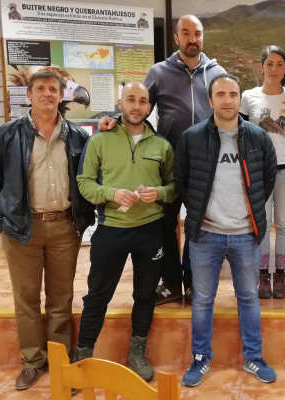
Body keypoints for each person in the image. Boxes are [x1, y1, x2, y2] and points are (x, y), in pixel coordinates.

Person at [99, 14, 226, 306]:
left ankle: (195, 284)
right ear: (176, 38)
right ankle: (171, 283)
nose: (192, 38)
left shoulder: (216, 71)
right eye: (186, 33)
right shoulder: (159, 71)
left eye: (197, 33)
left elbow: (227, 110)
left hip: (205, 165)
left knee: (198, 226)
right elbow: (137, 106)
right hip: (167, 164)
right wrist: (114, 121)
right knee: (166, 225)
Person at [0, 69, 95, 390]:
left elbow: (87, 181)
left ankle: (59, 362)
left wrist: (83, 220)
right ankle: (32, 361)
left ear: (62, 96)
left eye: (53, 89)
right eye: (41, 89)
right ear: (29, 95)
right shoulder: (7, 134)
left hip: (63, 228)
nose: (47, 94)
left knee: (61, 299)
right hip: (21, 229)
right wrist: (0, 222)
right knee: (26, 299)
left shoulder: (77, 137)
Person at [176, 74, 278, 387]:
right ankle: (201, 356)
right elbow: (182, 182)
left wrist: (250, 217)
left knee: (248, 297)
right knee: (203, 299)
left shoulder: (257, 137)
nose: (227, 100)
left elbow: (268, 178)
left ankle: (254, 357)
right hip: (206, 235)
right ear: (211, 101)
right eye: (220, 94)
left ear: (239, 99)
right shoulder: (192, 138)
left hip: (246, 235)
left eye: (233, 94)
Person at [73, 82, 176, 381]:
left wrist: (157, 192)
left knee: (145, 295)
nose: (137, 106)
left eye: (143, 101)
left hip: (150, 232)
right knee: (97, 296)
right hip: (110, 231)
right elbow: (85, 183)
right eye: (131, 99)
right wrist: (112, 193)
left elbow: (173, 188)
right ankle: (83, 356)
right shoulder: (100, 141)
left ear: (149, 107)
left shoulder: (162, 145)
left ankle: (137, 352)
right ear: (120, 102)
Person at [239, 45, 285, 299]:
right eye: (270, 63)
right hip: (259, 170)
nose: (274, 69)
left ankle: (281, 275)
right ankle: (263, 274)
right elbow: (239, 133)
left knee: (284, 224)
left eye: (280, 64)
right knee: (261, 224)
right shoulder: (248, 96)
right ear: (261, 66)